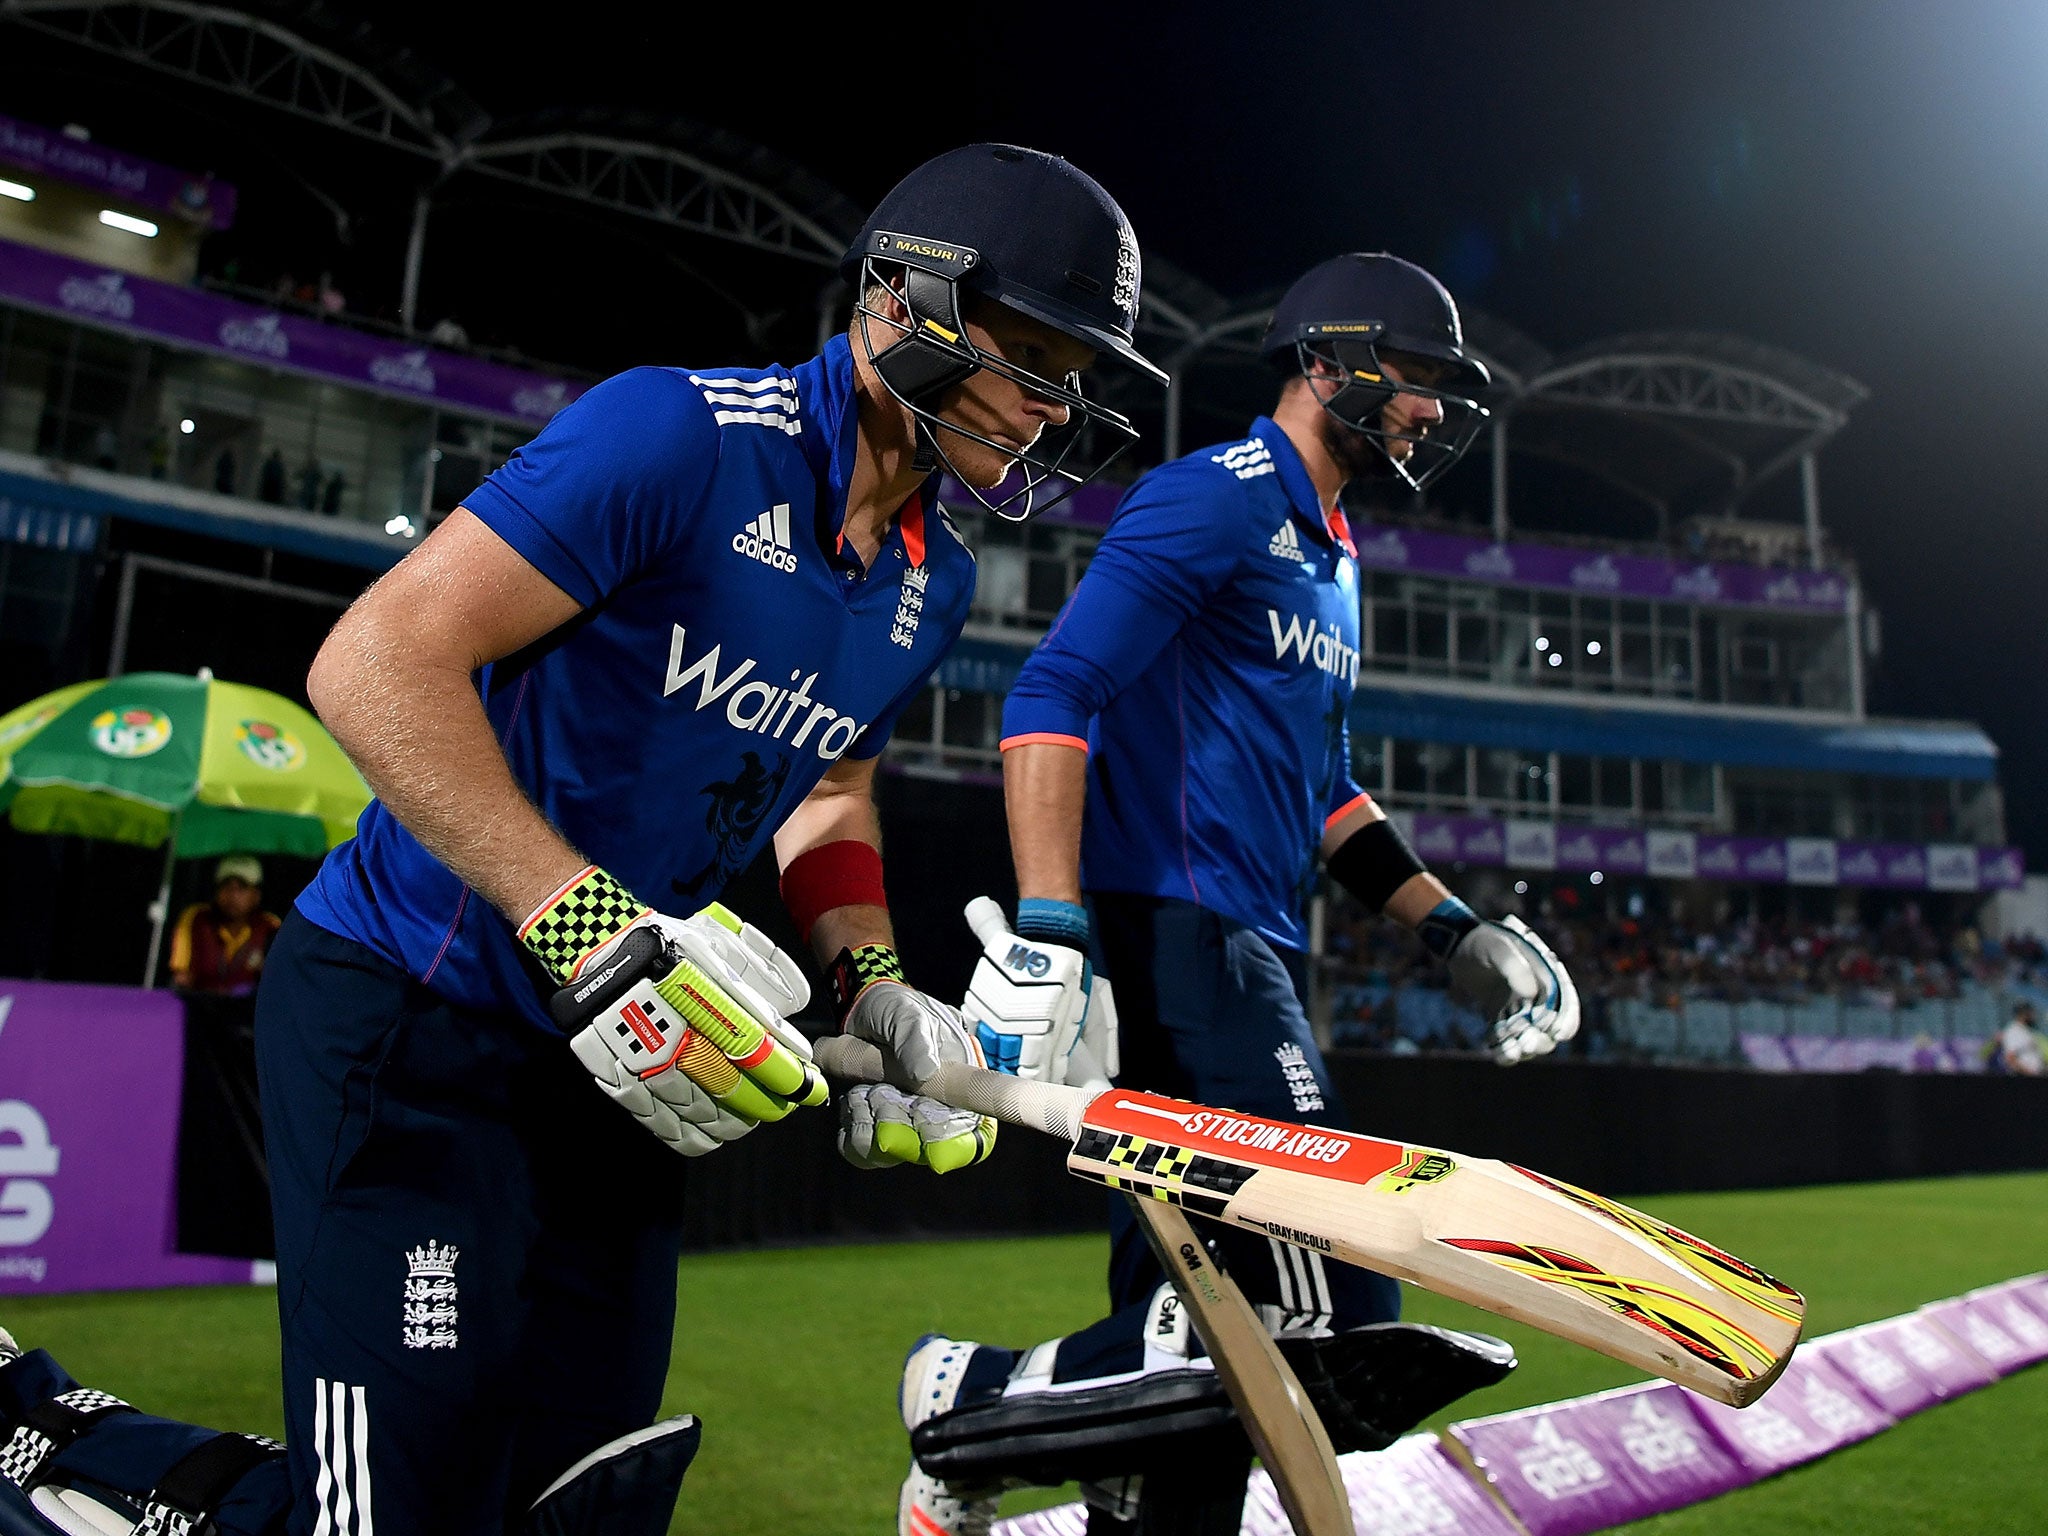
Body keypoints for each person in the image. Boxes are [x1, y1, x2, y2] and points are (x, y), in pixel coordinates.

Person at [237, 142, 1164, 1536]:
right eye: (1029, 356)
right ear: (904, 303)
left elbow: (830, 790)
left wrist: (873, 988)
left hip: (627, 1059)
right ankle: (70, 1457)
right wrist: (582, 923)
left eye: (1070, 379)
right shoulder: (675, 435)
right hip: (413, 1021)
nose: (1047, 412)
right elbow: (374, 664)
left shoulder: (939, 579)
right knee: (397, 1512)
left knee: (586, 1502)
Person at [901, 254, 1580, 1535]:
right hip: (1180, 940)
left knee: (1191, 1314)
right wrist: (1053, 927)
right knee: (1329, 1300)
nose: (1430, 413)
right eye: (1416, 379)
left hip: (1248, 943)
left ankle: (1052, 1479)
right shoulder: (1208, 498)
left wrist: (1454, 930)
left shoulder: (1336, 555)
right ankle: (963, 1399)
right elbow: (1050, 693)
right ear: (1325, 363)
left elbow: (1325, 792)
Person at [168, 854, 282, 995]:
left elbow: (279, 980)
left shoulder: (269, 926)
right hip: (201, 1006)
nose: (232, 894)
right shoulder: (197, 918)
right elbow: (181, 978)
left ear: (256, 895)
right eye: (226, 885)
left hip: (246, 1010)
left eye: (241, 887)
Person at [1998, 1001, 2044, 1076]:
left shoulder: (2026, 1030)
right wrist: (2030, 1073)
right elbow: (2010, 1058)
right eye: (2030, 1013)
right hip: (2023, 1077)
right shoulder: (2013, 1031)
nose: (2033, 1016)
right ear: (2023, 1014)